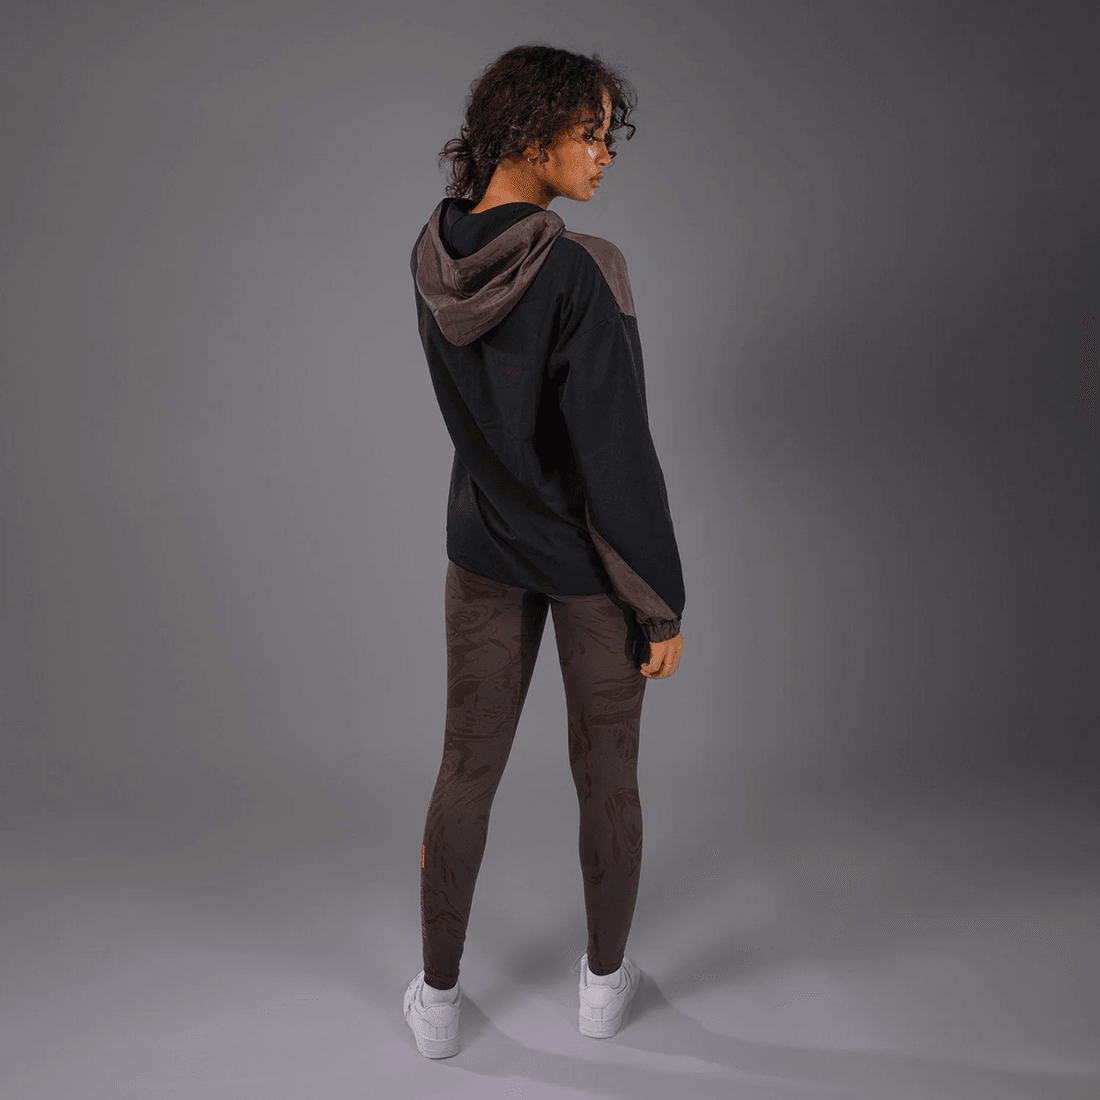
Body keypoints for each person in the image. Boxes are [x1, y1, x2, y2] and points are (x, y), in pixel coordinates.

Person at [403, 43, 685, 1058]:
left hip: (481, 546)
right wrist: (659, 600)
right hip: (592, 570)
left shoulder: (432, 254)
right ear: (531, 133)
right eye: (590, 133)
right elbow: (617, 455)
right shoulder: (581, 268)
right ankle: (604, 987)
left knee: (463, 770)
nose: (604, 154)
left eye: (609, 138)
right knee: (607, 776)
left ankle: (438, 1003)